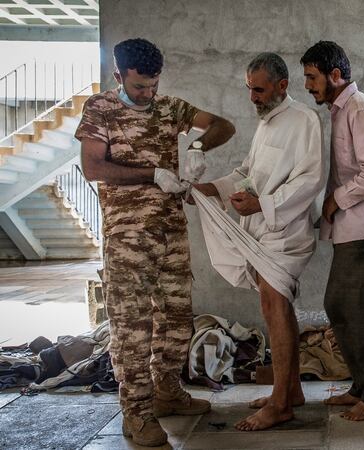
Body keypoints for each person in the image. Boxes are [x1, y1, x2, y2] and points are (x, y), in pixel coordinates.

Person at [76, 38, 235, 447]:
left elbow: (223, 125)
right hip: (128, 235)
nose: (148, 93)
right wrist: (152, 174)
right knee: (132, 326)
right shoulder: (101, 109)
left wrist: (197, 145)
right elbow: (92, 166)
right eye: (139, 86)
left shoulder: (169, 107)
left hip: (170, 229)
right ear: (118, 75)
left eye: (153, 84)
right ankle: (137, 413)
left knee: (176, 317)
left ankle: (167, 391)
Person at [191, 52, 325, 431]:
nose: (252, 97)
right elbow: (248, 174)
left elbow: (310, 180)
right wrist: (210, 189)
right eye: (249, 89)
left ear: (282, 86)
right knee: (275, 307)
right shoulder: (266, 124)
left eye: (260, 90)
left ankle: (280, 405)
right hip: (262, 230)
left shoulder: (304, 120)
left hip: (286, 232)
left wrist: (262, 205)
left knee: (273, 304)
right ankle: (291, 391)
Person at [300, 40, 364, 421]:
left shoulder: (359, 109)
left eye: (312, 77)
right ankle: (361, 385)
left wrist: (335, 200)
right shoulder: (343, 110)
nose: (308, 86)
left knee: (355, 311)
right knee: (343, 306)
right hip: (352, 228)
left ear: (335, 74)